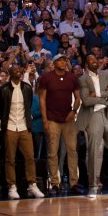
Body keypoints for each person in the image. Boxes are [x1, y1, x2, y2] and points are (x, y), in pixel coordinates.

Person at [0, 65, 44, 200]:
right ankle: (12, 187)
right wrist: (5, 121)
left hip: (24, 127)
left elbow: (27, 107)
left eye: (20, 71)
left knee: (30, 157)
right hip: (10, 127)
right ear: (10, 73)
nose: (19, 72)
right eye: (16, 70)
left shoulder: (27, 88)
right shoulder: (3, 89)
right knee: (10, 159)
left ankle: (32, 185)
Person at [77, 53, 108, 198]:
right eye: (90, 60)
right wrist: (104, 98)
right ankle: (93, 186)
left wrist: (97, 94)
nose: (94, 61)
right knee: (94, 151)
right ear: (86, 64)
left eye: (95, 59)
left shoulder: (106, 74)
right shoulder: (83, 79)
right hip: (93, 117)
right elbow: (85, 101)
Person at [39, 54, 81, 196]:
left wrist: (74, 111)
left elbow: (78, 97)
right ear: (55, 62)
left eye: (65, 60)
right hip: (52, 119)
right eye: (60, 60)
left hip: (68, 119)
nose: (63, 62)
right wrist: (44, 120)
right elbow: (42, 100)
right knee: (52, 152)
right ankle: (55, 183)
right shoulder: (46, 77)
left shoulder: (72, 77)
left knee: (72, 151)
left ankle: (73, 182)